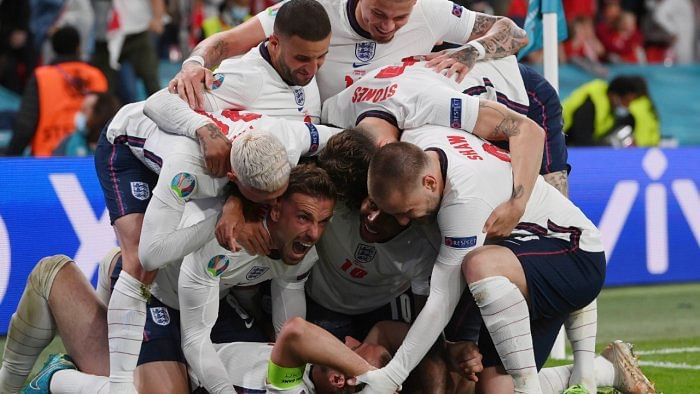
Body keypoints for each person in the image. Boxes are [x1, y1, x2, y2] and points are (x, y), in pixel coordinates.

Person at [360, 126, 606, 393]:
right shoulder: (421, 142)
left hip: (576, 256)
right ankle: (606, 370)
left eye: (407, 210)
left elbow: (442, 300)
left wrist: (393, 375)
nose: (403, 221)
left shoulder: (464, 201)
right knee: (494, 389)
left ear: (429, 183)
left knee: (479, 264)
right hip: (527, 258)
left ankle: (529, 389)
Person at [168, 0, 528, 109]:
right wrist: (194, 63)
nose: (387, 26)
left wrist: (470, 51)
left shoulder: (433, 11)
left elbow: (513, 31)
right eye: (378, 14)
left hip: (396, 127)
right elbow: (227, 41)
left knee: (534, 86)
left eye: (400, 18)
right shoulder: (315, 7)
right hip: (323, 124)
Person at [177, 164, 336, 393]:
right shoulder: (225, 236)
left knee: (262, 360)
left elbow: (290, 335)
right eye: (303, 218)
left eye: (323, 222)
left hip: (214, 304)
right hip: (158, 297)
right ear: (275, 209)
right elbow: (194, 340)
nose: (315, 234)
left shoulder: (303, 251)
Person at [322, 54, 571, 196]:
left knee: (550, 196)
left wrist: (518, 204)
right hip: (442, 93)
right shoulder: (334, 109)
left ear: (385, 146)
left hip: (521, 94)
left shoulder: (428, 104)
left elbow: (525, 130)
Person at [7, 26, 107, 156]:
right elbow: (106, 119)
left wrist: (10, 158)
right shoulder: (96, 75)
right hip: (87, 158)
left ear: (53, 48)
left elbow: (25, 124)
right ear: (78, 47)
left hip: (47, 157)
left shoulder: (41, 76)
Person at [562, 75, 660, 147]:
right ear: (614, 96)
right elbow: (582, 142)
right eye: (626, 101)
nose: (627, 106)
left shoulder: (609, 110)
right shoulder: (589, 106)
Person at [53, 91, 121, 156]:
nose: (78, 115)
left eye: (84, 110)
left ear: (100, 115)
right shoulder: (70, 142)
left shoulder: (119, 149)